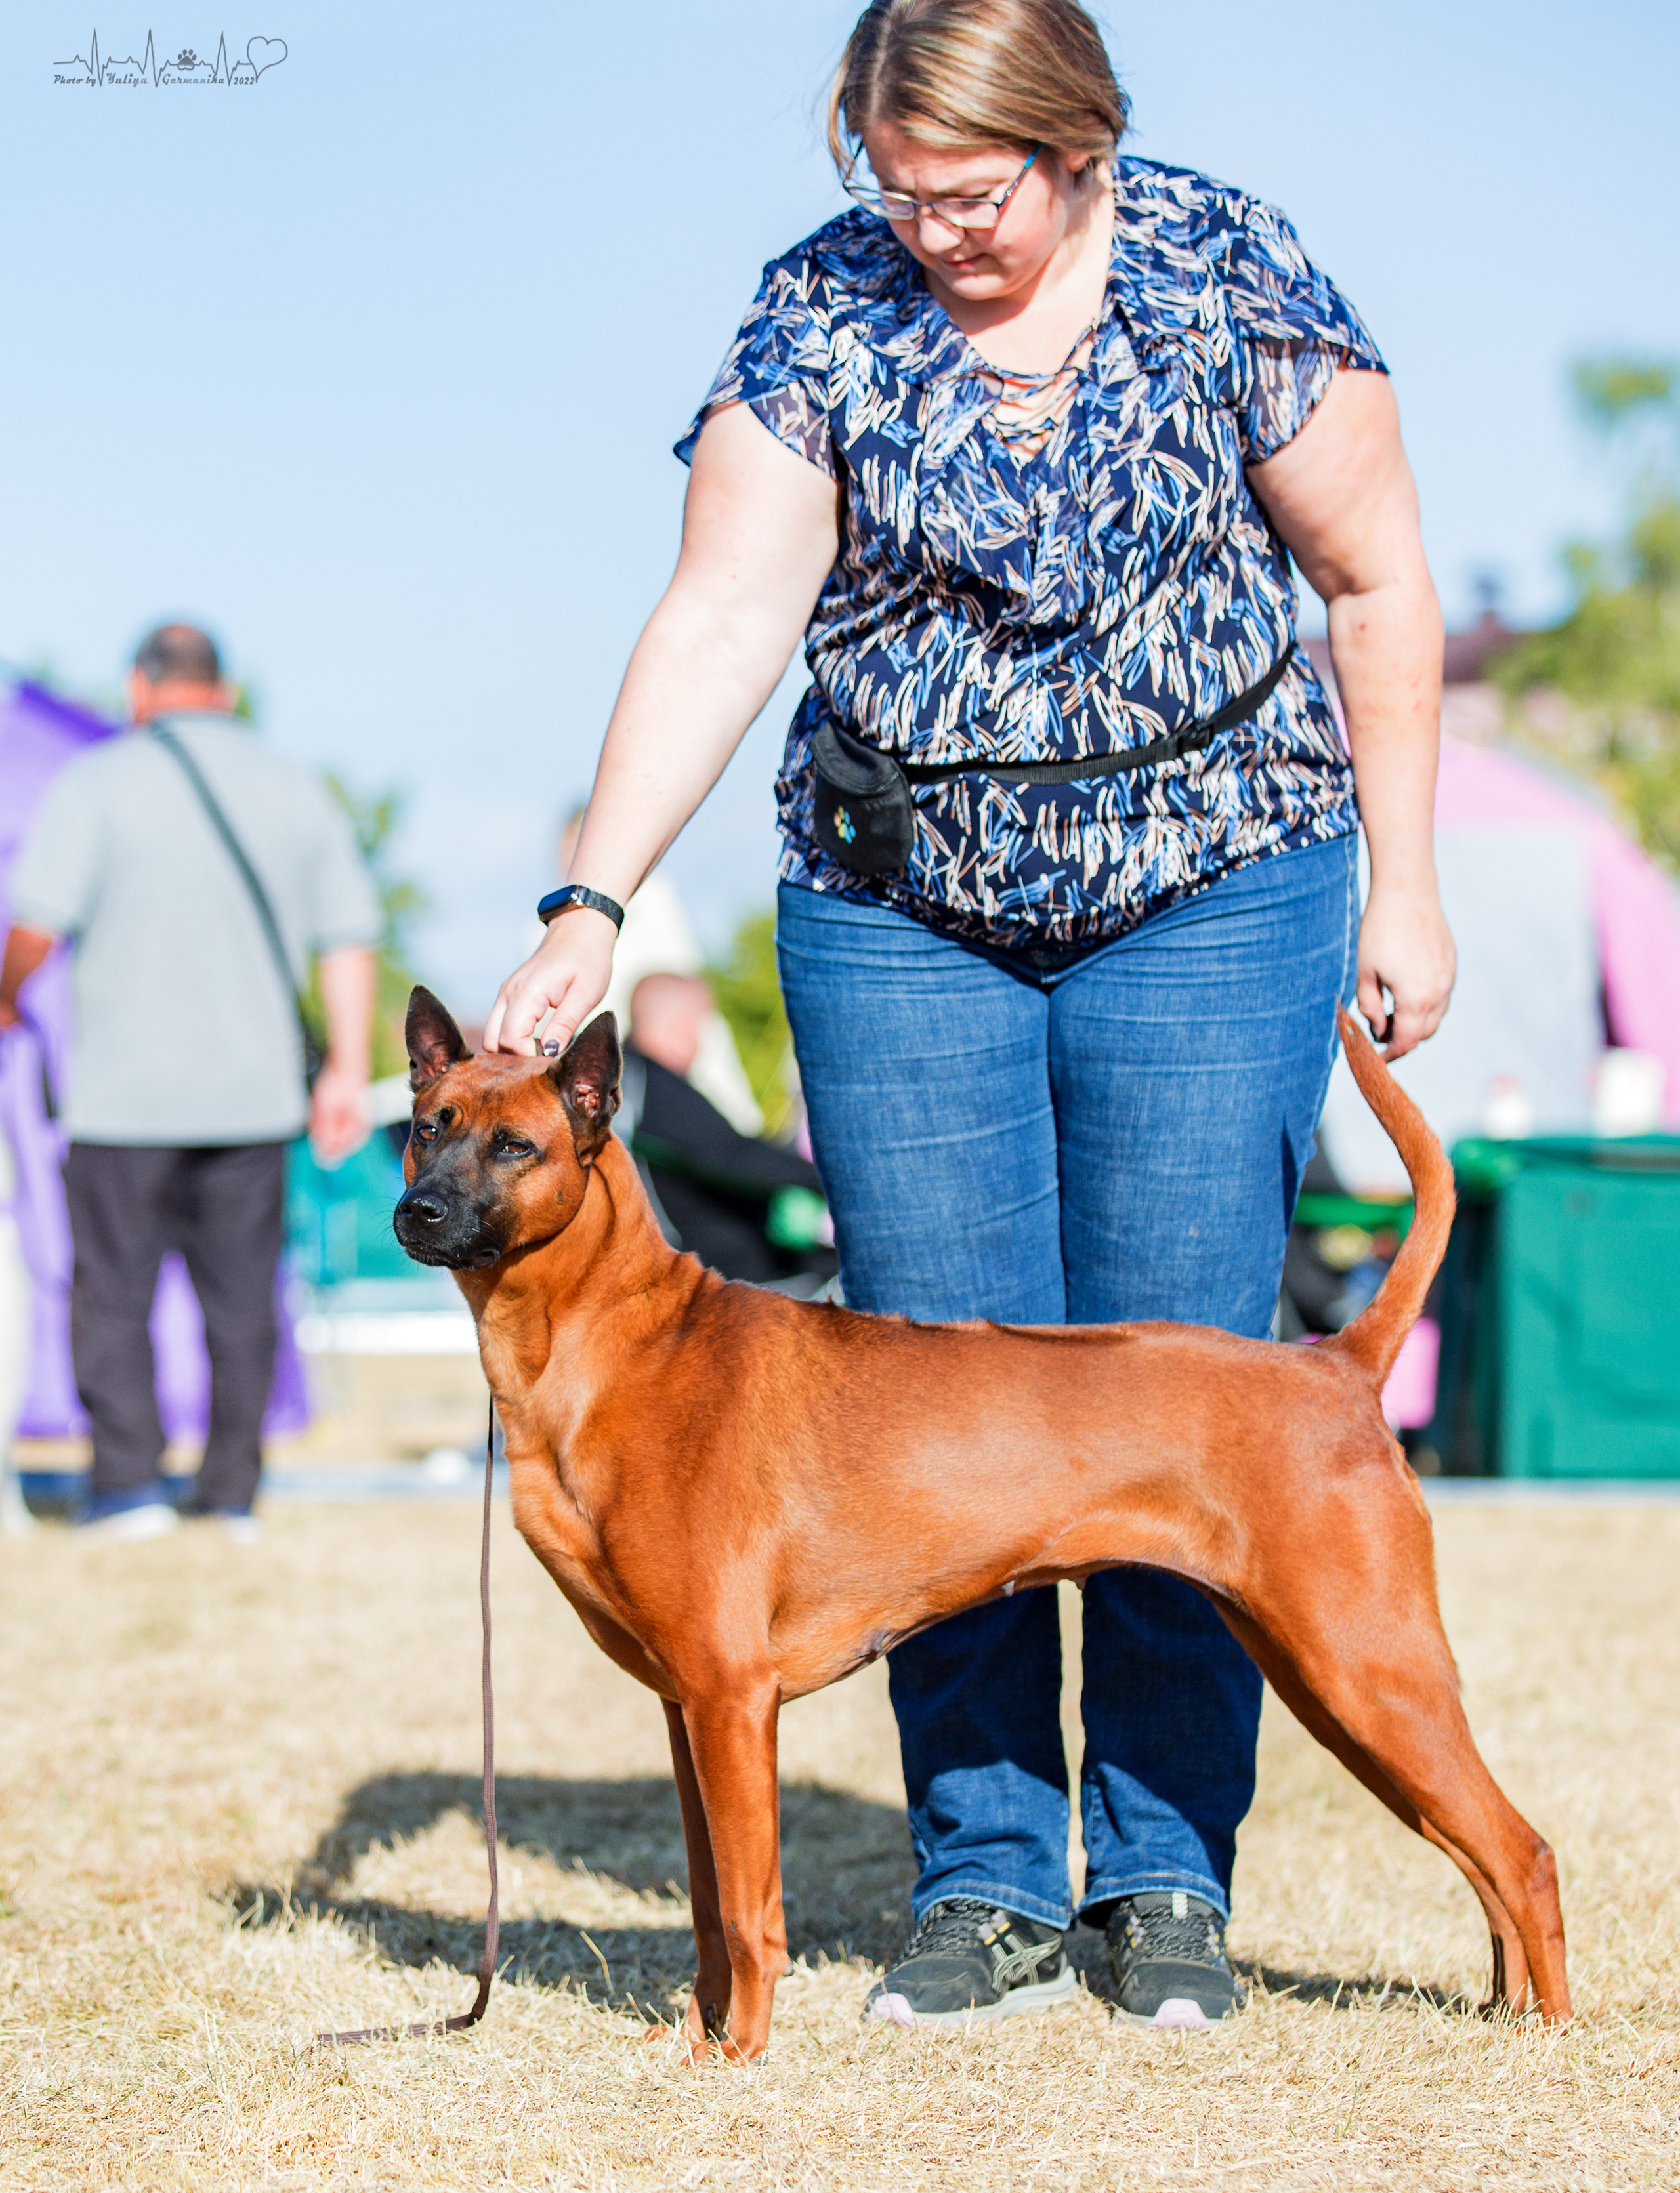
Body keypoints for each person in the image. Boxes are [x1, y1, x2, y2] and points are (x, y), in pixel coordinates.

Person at [482, 0, 1455, 2034]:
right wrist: (595, 892)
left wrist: (1409, 877)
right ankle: (986, 1879)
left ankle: (1165, 1885)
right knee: (918, 1399)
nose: (932, 231)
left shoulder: (1227, 270)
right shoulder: (820, 314)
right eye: (895, 192)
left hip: (1213, 881)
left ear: (1077, 141)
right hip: (898, 902)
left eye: (971, 193)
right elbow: (727, 611)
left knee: (1174, 1384)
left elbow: (1373, 585)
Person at [0, 623, 379, 1541]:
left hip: (121, 1100)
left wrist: (9, 995)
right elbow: (349, 936)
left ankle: (128, 1489)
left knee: (114, 1294)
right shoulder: (294, 788)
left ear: (140, 687)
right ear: (226, 688)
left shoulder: (97, 782)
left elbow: (37, 924)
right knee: (244, 1298)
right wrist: (344, 1070)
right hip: (252, 1101)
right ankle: (229, 1494)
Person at [624, 972, 832, 1288]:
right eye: (699, 1025)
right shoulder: (657, 1091)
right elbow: (736, 1158)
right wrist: (830, 1177)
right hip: (728, 1277)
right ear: (682, 1025)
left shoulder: (629, 1084)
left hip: (700, 1264)